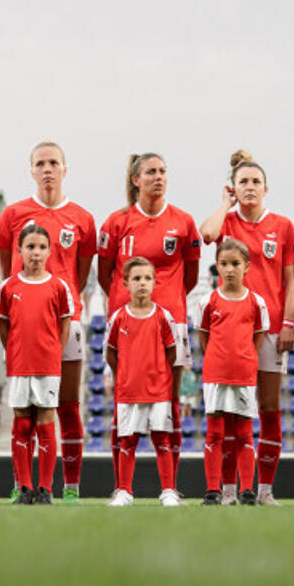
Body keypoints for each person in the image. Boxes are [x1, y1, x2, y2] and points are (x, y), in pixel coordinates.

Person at [200, 149, 294, 505]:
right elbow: (207, 233)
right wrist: (223, 204)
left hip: (272, 329)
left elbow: (291, 281)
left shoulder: (283, 226)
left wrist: (288, 322)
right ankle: (229, 490)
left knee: (269, 409)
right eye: (243, 182)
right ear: (234, 186)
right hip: (232, 332)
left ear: (266, 188)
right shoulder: (227, 222)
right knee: (230, 415)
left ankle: (264, 490)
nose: (249, 187)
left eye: (256, 182)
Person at [0, 141, 95, 505]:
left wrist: (60, 305)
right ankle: (22, 483)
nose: (48, 168)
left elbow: (80, 277)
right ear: (32, 171)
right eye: (41, 163)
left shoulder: (82, 218)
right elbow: (9, 272)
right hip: (26, 323)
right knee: (24, 412)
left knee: (66, 406)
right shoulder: (14, 214)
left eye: (54, 162)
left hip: (67, 321)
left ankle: (69, 484)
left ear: (65, 169)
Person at [98, 152, 201, 491]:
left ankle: (170, 487)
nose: (158, 177)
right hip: (127, 321)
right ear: (135, 180)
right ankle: (120, 487)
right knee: (122, 402)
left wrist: (167, 304)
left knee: (170, 402)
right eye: (151, 172)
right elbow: (104, 275)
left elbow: (190, 277)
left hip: (172, 321)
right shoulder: (116, 222)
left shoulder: (184, 222)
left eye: (163, 171)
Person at [0, 224, 73, 505]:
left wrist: (53, 351)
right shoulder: (9, 287)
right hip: (19, 365)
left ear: (50, 251)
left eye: (41, 247)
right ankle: (24, 488)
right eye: (30, 247)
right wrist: (15, 352)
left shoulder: (58, 286)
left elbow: (64, 324)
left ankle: (45, 489)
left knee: (44, 423)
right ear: (19, 251)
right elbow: (4, 328)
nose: (36, 253)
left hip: (47, 365)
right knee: (21, 425)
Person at [195, 239, 270, 505]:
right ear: (217, 266)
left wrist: (244, 358)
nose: (229, 269)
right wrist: (216, 359)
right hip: (215, 375)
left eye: (235, 264)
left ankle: (247, 489)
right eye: (224, 264)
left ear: (246, 267)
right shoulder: (208, 301)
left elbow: (258, 338)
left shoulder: (257, 303)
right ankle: (213, 490)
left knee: (244, 434)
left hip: (244, 375)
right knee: (215, 434)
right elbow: (204, 337)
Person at [105, 257, 181, 507]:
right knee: (128, 441)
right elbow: (111, 354)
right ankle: (124, 491)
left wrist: (159, 376)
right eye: (136, 278)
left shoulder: (163, 316)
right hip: (129, 391)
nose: (142, 283)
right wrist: (126, 376)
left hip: (158, 391)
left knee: (162, 439)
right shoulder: (118, 317)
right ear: (126, 283)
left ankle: (168, 490)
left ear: (154, 282)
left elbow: (172, 353)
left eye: (147, 278)